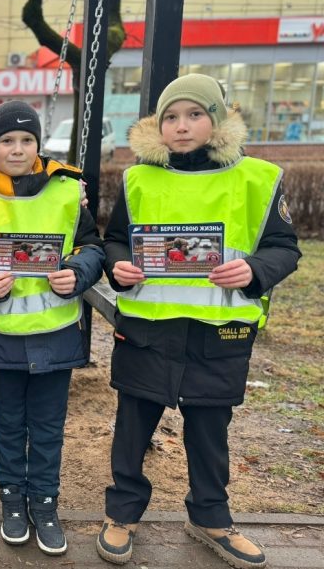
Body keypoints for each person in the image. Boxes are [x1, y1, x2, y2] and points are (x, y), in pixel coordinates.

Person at [95, 74, 301, 568]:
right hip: (149, 327)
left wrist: (253, 269)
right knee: (133, 427)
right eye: (171, 117)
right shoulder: (137, 178)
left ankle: (210, 516)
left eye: (194, 115)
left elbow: (283, 249)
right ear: (157, 125)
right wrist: (118, 267)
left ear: (218, 119)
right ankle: (121, 515)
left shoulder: (258, 177)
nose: (182, 127)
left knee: (210, 430)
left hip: (218, 331)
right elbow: (117, 239)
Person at [0, 101, 104, 554]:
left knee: (48, 426)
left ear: (38, 144)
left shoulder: (67, 189)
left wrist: (77, 271)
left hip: (57, 333)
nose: (17, 149)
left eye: (26, 140)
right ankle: (12, 502)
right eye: (6, 141)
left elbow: (92, 246)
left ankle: (44, 502)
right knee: (8, 423)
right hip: (3, 335)